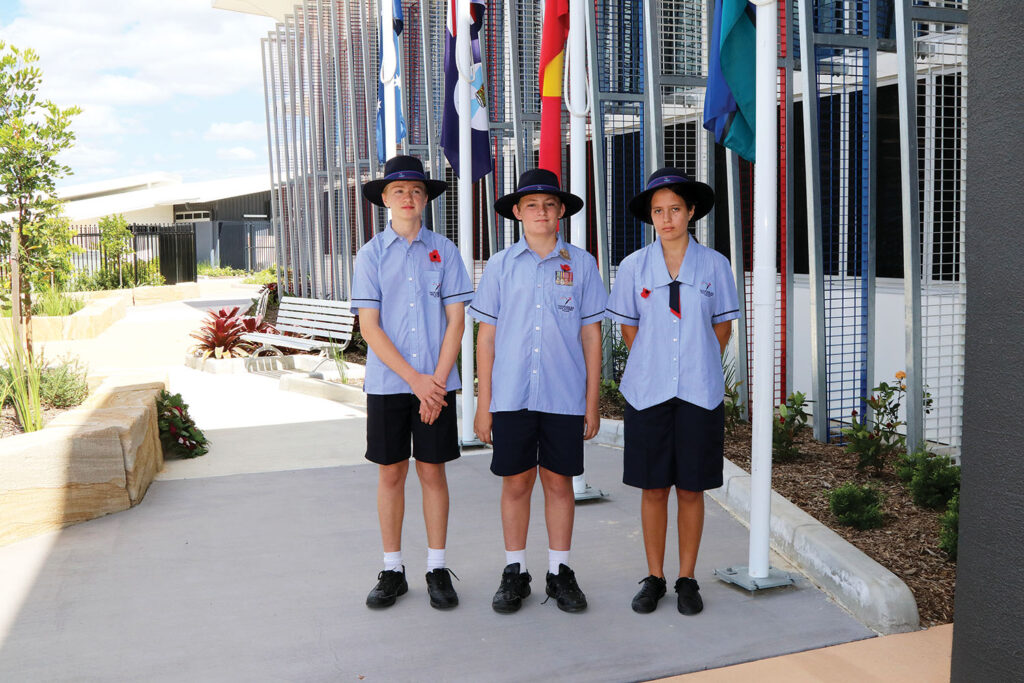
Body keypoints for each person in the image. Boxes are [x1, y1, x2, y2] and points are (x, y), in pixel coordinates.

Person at [469, 168, 607, 614]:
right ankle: (515, 571)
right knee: (515, 482)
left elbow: (590, 337)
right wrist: (482, 404)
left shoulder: (582, 265)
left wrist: (591, 403)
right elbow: (485, 338)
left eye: (549, 204)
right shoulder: (500, 265)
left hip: (563, 396)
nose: (541, 212)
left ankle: (559, 571)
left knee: (559, 482)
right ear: (517, 212)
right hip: (510, 395)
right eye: (531, 205)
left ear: (562, 210)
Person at [604, 167, 739, 615]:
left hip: (699, 393)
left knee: (691, 489)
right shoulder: (633, 267)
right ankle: (655, 577)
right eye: (658, 211)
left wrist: (692, 361)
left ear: (691, 211)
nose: (667, 219)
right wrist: (657, 362)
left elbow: (722, 327)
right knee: (654, 488)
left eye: (675, 209)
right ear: (650, 217)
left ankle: (686, 578)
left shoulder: (715, 265)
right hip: (648, 393)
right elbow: (629, 327)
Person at [351, 155, 474, 610]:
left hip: (437, 384)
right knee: (391, 474)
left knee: (433, 472)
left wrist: (435, 383)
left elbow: (456, 322)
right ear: (384, 199)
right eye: (399, 190)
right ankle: (391, 568)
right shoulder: (370, 255)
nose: (408, 197)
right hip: (389, 386)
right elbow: (370, 328)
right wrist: (416, 382)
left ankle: (437, 567)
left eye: (416, 190)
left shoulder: (445, 251)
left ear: (426, 199)